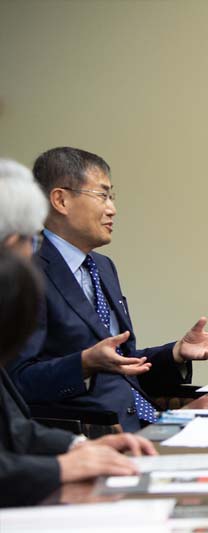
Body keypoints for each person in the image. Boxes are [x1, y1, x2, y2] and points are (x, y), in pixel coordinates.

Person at [10, 147, 208, 432]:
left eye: (112, 197)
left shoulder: (102, 266)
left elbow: (120, 366)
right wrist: (83, 364)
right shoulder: (26, 272)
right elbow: (16, 383)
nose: (112, 209)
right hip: (93, 437)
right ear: (61, 200)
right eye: (102, 195)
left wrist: (176, 353)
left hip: (146, 423)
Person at [0, 160, 157, 506]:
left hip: (118, 433)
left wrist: (77, 448)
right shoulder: (36, 279)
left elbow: (14, 428)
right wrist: (61, 468)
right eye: (28, 240)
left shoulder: (102, 267)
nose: (32, 252)